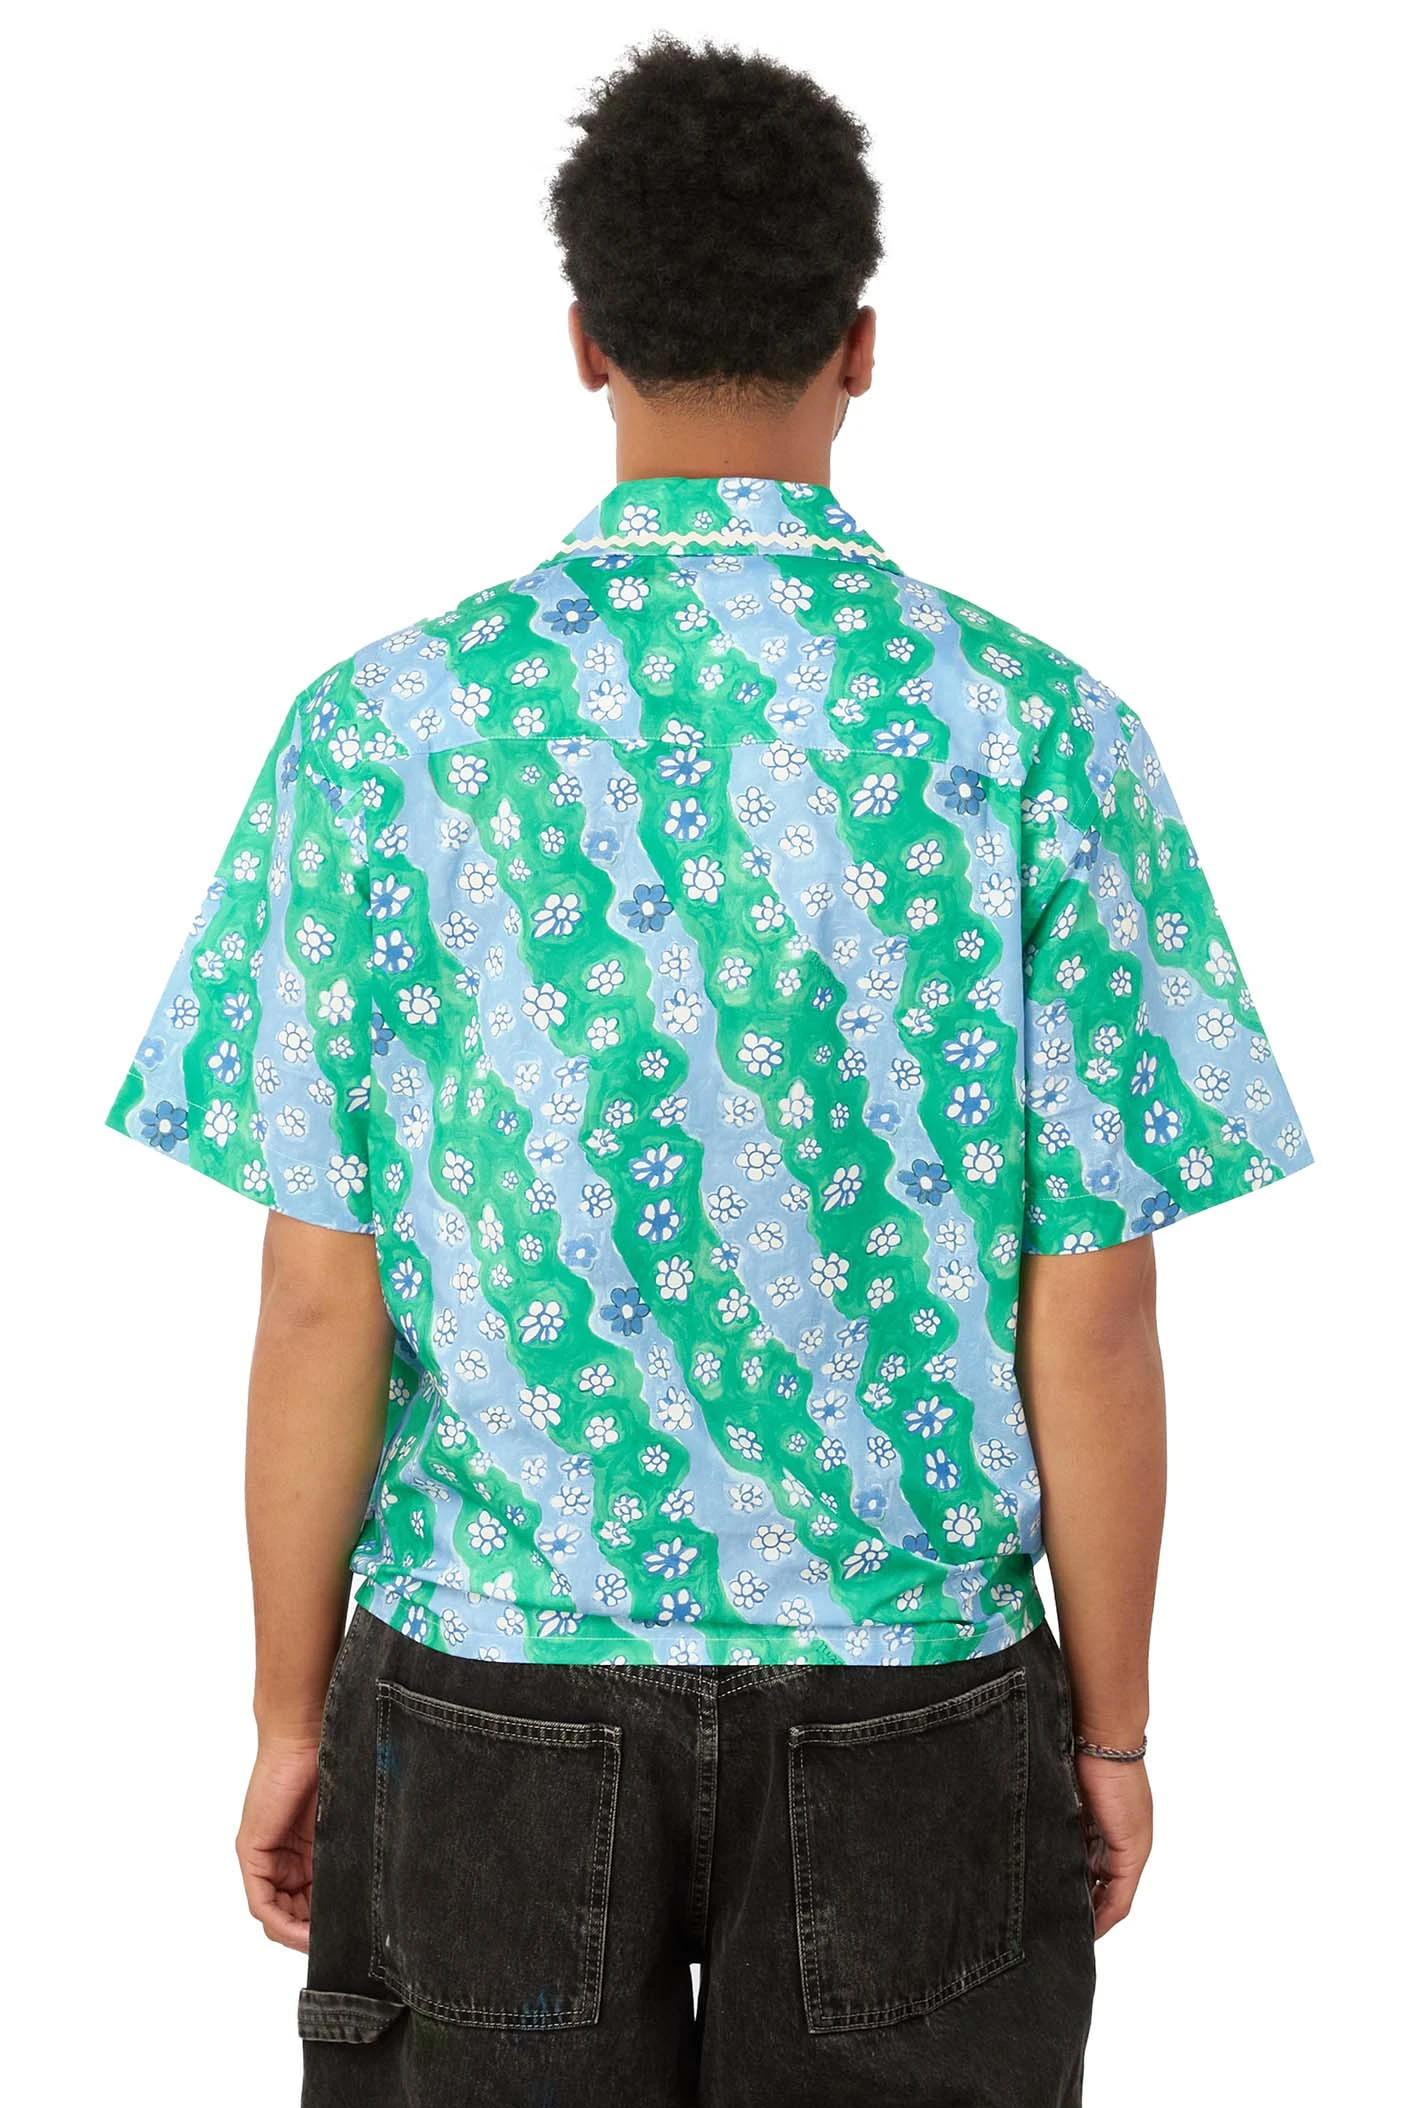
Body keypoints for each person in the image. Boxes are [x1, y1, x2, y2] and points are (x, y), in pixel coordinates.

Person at [104, 34, 1312, 2108]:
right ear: (863, 344)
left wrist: (291, 1715)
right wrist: (1108, 1731)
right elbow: (1097, 1310)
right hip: (915, 1692)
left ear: (583, 339)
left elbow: (319, 1295)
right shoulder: (1039, 731)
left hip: (488, 1674)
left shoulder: (385, 728)